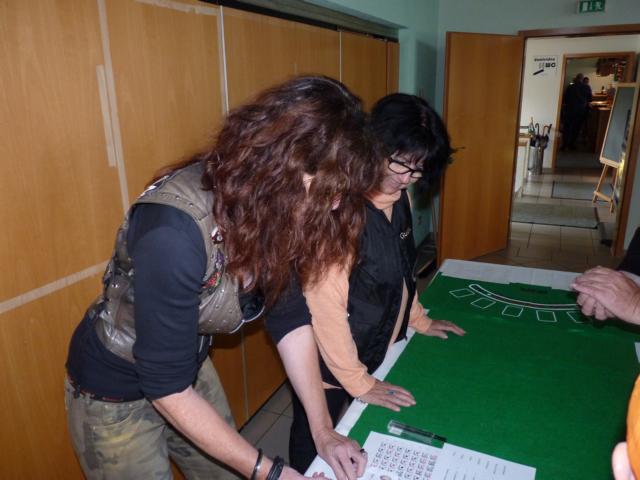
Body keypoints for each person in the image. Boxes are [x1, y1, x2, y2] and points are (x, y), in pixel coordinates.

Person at [64, 76, 381, 480]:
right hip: (113, 392)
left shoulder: (274, 207)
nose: (335, 205)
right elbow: (166, 386)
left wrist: (324, 432)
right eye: (330, 191)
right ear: (286, 163)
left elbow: (289, 317)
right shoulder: (173, 230)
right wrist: (272, 473)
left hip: (184, 368)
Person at [267, 94, 466, 473]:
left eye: (418, 168)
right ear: (373, 146)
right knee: (316, 436)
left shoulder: (400, 197)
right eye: (400, 162)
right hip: (329, 363)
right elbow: (324, 309)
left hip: (370, 349)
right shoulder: (341, 210)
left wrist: (418, 319)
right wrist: (359, 382)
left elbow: (403, 269)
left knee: (358, 436)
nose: (406, 177)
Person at [562, 73, 590, 150]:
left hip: (569, 110)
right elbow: (590, 99)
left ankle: (564, 144)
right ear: (582, 79)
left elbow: (565, 98)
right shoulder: (586, 87)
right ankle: (572, 144)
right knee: (576, 128)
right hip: (580, 111)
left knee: (567, 127)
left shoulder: (570, 87)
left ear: (576, 78)